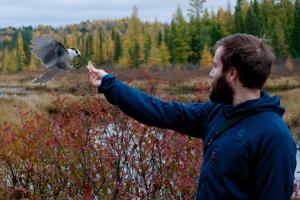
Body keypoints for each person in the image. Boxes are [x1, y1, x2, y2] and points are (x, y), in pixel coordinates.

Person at [87, 34, 296, 200]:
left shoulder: (274, 138)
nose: (210, 74)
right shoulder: (217, 112)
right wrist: (109, 84)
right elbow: (162, 111)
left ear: (232, 73)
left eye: (215, 66)